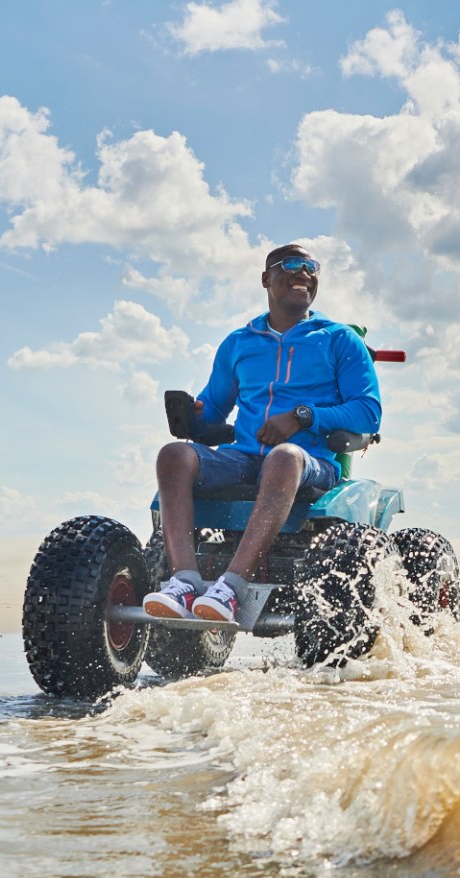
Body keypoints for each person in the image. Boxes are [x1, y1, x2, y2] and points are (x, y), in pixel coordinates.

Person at [143, 243, 380, 622]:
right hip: (244, 458)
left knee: (284, 455)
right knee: (174, 455)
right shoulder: (239, 343)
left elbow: (368, 412)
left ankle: (231, 587)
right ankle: (185, 581)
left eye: (311, 266)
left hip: (312, 462)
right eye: (291, 264)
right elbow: (213, 414)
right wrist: (194, 416)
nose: (303, 272)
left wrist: (303, 416)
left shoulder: (339, 340)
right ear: (266, 277)